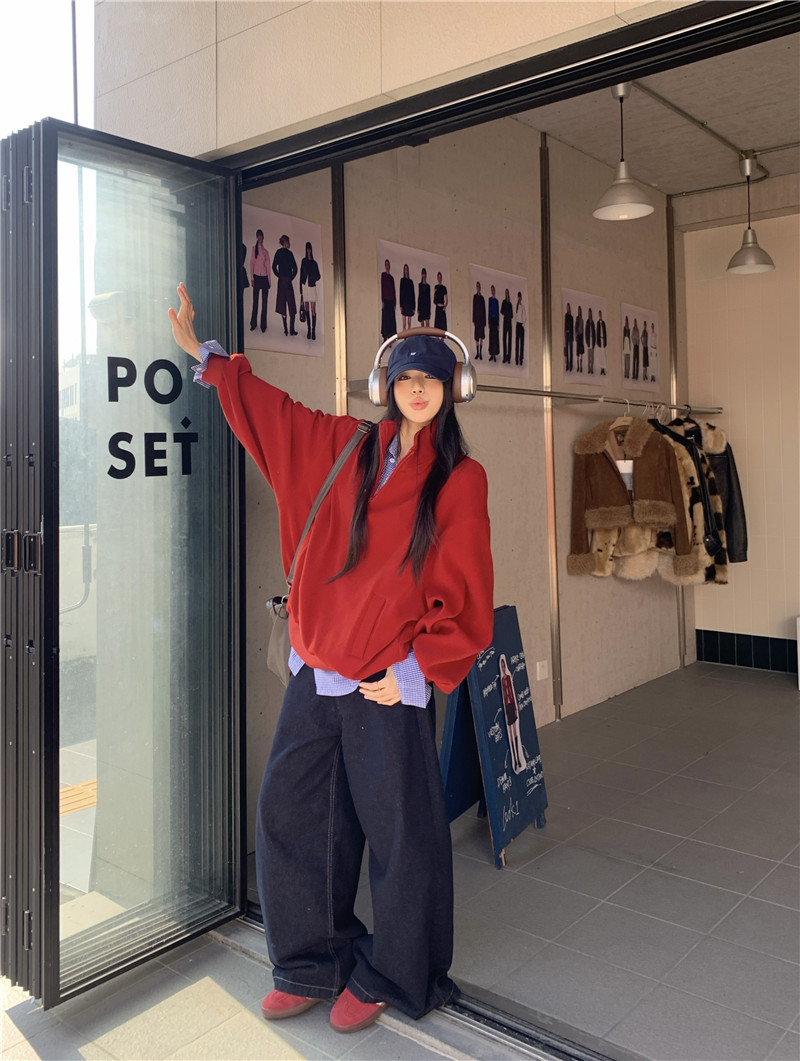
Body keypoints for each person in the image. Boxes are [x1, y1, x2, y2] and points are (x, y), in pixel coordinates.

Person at [168, 283, 494, 1033]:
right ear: (387, 386)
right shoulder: (346, 445)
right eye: (406, 377)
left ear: (452, 389)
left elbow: (468, 588)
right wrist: (208, 359)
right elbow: (276, 417)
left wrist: (416, 671)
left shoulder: (459, 478)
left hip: (387, 682)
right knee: (294, 813)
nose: (418, 389)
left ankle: (398, 972)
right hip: (318, 671)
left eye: (432, 378)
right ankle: (313, 960)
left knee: (401, 834)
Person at [272, 234, 299, 336]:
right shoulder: (289, 254)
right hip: (287, 281)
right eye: (288, 242)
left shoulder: (279, 253)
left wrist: (279, 276)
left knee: (283, 304)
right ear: (285, 242)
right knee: (291, 305)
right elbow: (295, 269)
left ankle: (286, 330)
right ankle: (291, 330)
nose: (289, 244)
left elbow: (274, 267)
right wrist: (290, 278)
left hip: (282, 281)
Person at [250, 229, 271, 333]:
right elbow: (251, 263)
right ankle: (253, 324)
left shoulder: (266, 252)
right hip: (256, 277)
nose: (259, 238)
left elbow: (268, 267)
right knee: (255, 302)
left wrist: (269, 281)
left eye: (261, 236)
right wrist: (252, 278)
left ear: (263, 237)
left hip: (264, 278)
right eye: (258, 236)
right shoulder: (254, 249)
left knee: (264, 303)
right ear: (256, 237)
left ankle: (263, 325)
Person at [299, 241, 321, 340]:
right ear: (306, 249)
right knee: (307, 307)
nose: (308, 250)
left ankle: (313, 330)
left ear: (311, 250)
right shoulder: (303, 261)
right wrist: (301, 290)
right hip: (305, 286)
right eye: (307, 248)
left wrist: (312, 278)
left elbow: (318, 276)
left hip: (312, 286)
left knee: (313, 309)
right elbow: (301, 276)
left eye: (310, 248)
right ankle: (308, 329)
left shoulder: (314, 263)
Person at [380, 259, 397, 340]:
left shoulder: (391, 278)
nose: (387, 266)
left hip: (391, 301)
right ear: (385, 266)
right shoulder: (383, 275)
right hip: (386, 300)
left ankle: (391, 337)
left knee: (391, 320)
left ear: (389, 266)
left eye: (388, 264)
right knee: (385, 319)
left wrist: (395, 302)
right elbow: (382, 287)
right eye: (386, 264)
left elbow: (393, 290)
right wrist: (382, 300)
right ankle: (385, 337)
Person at [399, 263, 415, 330]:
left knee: (409, 323)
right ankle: (404, 335)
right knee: (404, 324)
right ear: (403, 270)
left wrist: (414, 307)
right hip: (404, 303)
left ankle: (409, 336)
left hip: (410, 304)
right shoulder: (402, 280)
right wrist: (401, 305)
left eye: (407, 269)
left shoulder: (411, 281)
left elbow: (413, 294)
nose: (406, 271)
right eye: (405, 269)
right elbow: (401, 292)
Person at [472, 281, 486, 359]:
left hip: (482, 320)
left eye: (479, 286)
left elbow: (484, 310)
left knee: (481, 336)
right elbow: (474, 308)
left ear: (480, 288)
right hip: (477, 320)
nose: (478, 288)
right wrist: (473, 319)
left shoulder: (482, 298)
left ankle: (480, 353)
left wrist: (485, 322)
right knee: (477, 336)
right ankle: (477, 353)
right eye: (477, 286)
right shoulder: (475, 297)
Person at [487, 285, 500, 362]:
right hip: (491, 320)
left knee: (495, 338)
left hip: (495, 321)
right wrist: (488, 321)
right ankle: (491, 354)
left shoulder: (496, 301)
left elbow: (497, 313)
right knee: (491, 338)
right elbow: (489, 311)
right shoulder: (489, 300)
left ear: (495, 291)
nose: (493, 291)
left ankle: (495, 354)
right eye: (492, 290)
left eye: (493, 290)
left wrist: (498, 323)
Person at [501, 288, 513, 363]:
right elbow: (502, 311)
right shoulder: (504, 302)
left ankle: (509, 358)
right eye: (506, 293)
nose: (507, 294)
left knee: (509, 339)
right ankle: (504, 357)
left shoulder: (510, 304)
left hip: (509, 322)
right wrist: (507, 313)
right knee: (504, 339)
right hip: (505, 321)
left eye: (507, 293)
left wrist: (508, 314)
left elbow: (512, 315)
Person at [514, 292, 526, 366]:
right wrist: (517, 323)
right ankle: (516, 359)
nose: (519, 298)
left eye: (520, 297)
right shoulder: (517, 307)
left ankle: (521, 359)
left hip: (521, 326)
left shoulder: (522, 307)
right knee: (517, 343)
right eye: (518, 297)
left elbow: (525, 317)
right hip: (517, 325)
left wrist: (523, 324)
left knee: (521, 343)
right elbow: (515, 316)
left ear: (521, 298)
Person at [596, 310, 607, 376]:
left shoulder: (603, 323)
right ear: (598, 315)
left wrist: (606, 342)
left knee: (604, 355)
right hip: (599, 341)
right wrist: (597, 342)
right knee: (600, 355)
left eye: (601, 314)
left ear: (601, 315)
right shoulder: (597, 323)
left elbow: (605, 332)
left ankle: (604, 369)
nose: (600, 315)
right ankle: (601, 369)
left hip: (603, 340)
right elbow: (597, 333)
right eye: (599, 314)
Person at [585, 307, 596, 375]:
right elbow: (586, 332)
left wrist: (594, 341)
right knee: (589, 356)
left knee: (592, 356)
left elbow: (594, 332)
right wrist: (586, 341)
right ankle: (589, 369)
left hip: (592, 341)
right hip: (589, 341)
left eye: (590, 313)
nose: (590, 314)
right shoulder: (587, 322)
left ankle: (592, 369)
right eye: (589, 313)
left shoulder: (593, 323)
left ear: (591, 314)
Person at [564, 302, 574, 373]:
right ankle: (567, 365)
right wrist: (565, 333)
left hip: (571, 335)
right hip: (567, 335)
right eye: (567, 308)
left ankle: (571, 366)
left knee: (571, 351)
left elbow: (572, 327)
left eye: (568, 307)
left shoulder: (571, 317)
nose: (568, 309)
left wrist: (572, 336)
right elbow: (565, 325)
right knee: (567, 351)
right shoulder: (566, 315)